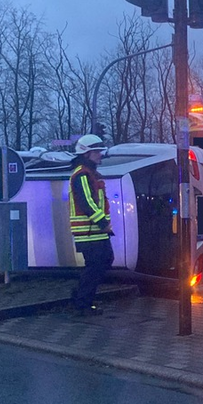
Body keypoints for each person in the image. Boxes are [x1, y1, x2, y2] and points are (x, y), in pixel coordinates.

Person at [69, 134, 114, 315]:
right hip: (89, 231)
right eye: (96, 151)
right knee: (96, 265)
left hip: (95, 231)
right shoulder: (82, 174)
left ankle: (81, 297)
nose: (100, 155)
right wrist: (102, 222)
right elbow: (87, 202)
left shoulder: (89, 173)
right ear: (86, 154)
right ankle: (82, 303)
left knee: (103, 262)